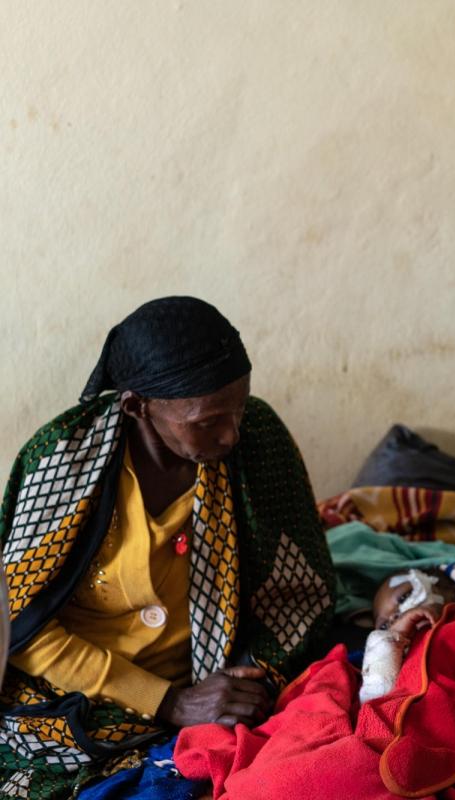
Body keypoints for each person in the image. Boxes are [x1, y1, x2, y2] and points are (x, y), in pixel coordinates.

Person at [0, 297, 335, 798]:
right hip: (79, 689)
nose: (232, 433)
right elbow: (21, 626)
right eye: (206, 422)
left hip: (217, 676)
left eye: (239, 408)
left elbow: (298, 587)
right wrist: (170, 703)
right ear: (137, 406)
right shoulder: (62, 462)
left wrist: (253, 679)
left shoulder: (257, 439)